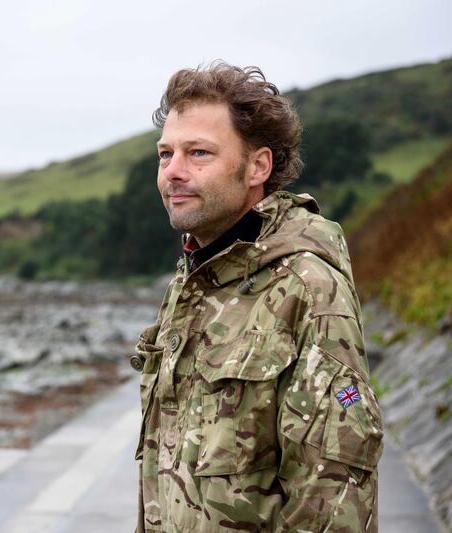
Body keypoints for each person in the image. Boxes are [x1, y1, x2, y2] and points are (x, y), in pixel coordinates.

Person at [131, 62, 383, 532]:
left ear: (258, 166)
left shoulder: (306, 286)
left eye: (198, 153)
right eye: (165, 154)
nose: (173, 173)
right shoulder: (191, 282)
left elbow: (333, 490)